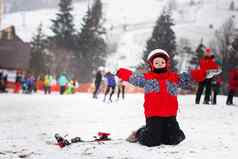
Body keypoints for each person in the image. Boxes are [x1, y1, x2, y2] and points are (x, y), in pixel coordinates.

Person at [116, 49, 201, 147]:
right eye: (156, 62)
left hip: (170, 114)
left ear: (166, 63)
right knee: (152, 141)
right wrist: (120, 72)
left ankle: (163, 133)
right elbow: (134, 77)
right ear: (152, 65)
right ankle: (139, 132)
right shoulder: (147, 77)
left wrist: (202, 73)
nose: (160, 64)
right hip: (153, 115)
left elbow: (188, 77)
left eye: (162, 62)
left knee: (175, 139)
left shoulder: (174, 77)